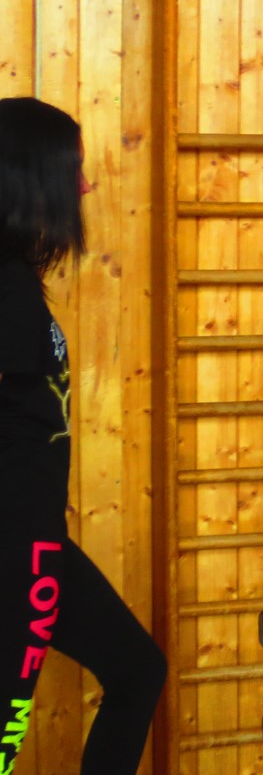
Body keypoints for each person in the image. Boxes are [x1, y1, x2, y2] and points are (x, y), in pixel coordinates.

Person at [0, 97, 167, 774]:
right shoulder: (5, 290)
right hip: (15, 551)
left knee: (137, 669)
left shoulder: (15, 283)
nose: (88, 186)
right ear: (33, 176)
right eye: (73, 170)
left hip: (39, 547)